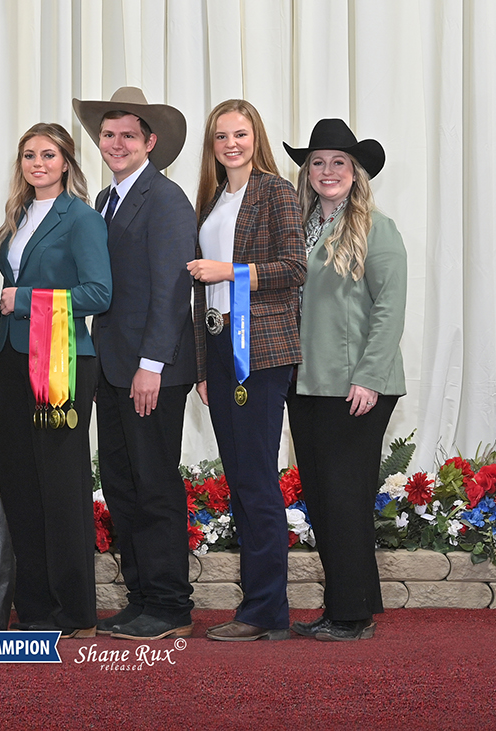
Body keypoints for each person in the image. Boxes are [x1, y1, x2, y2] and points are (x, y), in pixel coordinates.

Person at [71, 88, 200, 641]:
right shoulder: (104, 199)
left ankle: (171, 605)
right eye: (108, 134)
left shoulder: (166, 199)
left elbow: (173, 288)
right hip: (113, 367)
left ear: (150, 142)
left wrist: (152, 364)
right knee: (122, 484)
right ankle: (141, 597)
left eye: (128, 134)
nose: (116, 143)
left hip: (152, 370)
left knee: (154, 484)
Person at [0, 123, 110, 638]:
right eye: (30, 155)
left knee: (62, 487)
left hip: (63, 361)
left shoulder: (81, 218)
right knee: (20, 485)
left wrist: (32, 299)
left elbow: (99, 293)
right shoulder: (16, 220)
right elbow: (5, 301)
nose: (39, 163)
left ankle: (75, 612)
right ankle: (33, 608)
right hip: (16, 360)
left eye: (49, 154)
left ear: (66, 162)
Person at [187, 99, 306, 642]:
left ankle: (265, 612)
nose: (230, 144)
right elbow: (199, 290)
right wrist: (202, 365)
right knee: (240, 479)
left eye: (239, 134)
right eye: (220, 136)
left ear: (255, 136)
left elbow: (294, 268)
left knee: (256, 479)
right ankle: (258, 606)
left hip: (261, 350)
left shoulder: (276, 192)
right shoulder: (212, 199)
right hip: (220, 347)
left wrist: (231, 271)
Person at [283, 120, 405, 642]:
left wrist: (371, 377)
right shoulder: (300, 227)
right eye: (317, 162)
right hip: (306, 384)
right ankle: (342, 606)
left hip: (355, 386)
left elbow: (389, 309)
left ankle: (353, 615)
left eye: (338, 162)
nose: (327, 171)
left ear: (355, 174)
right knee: (323, 497)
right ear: (307, 172)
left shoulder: (378, 228)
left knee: (346, 497)